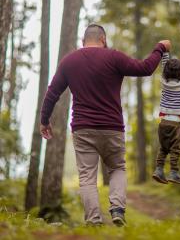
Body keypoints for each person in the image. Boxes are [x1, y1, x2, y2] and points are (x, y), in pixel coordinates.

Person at [40, 24, 171, 226]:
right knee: (117, 168)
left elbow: (52, 93)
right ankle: (118, 209)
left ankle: (93, 220)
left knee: (87, 177)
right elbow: (145, 68)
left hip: (83, 129)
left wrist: (44, 120)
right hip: (112, 127)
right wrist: (160, 48)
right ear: (103, 39)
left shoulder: (69, 61)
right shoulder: (113, 57)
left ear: (83, 41)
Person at [152, 49, 180, 184]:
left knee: (163, 148)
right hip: (175, 124)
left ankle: (159, 169)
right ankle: (174, 172)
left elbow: (164, 64)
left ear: (165, 72)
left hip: (163, 122)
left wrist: (165, 53)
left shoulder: (163, 82)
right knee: (175, 149)